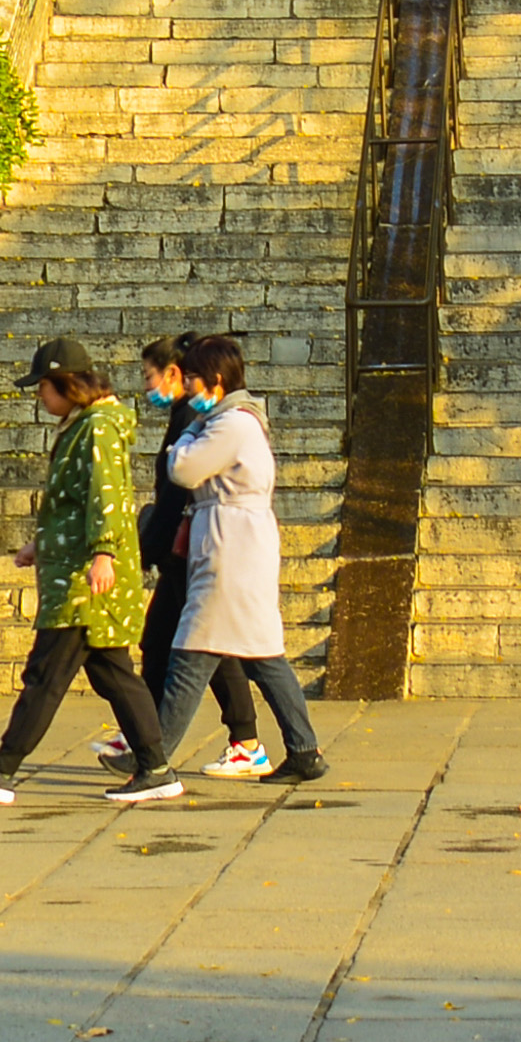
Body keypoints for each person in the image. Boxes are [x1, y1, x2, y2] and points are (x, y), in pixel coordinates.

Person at [0, 339, 180, 805]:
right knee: (113, 675)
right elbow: (72, 502)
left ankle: (3, 768)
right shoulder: (83, 425)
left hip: (83, 580)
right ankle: (155, 767)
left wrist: (104, 554)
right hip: (74, 567)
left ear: (68, 385)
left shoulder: (98, 430)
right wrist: (41, 542)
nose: (39, 397)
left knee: (46, 675)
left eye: (43, 388)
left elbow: (106, 495)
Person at [163, 333, 329, 784]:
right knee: (264, 656)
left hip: (230, 546)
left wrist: (184, 437)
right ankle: (303, 749)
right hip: (235, 541)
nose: (187, 388)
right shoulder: (235, 420)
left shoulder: (229, 424)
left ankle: (152, 757)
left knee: (191, 654)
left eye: (192, 378)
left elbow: (182, 468)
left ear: (214, 381)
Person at [114, 337, 205, 765]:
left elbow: (175, 491)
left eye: (149, 376)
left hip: (182, 549)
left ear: (173, 374)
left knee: (221, 657)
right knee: (160, 641)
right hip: (174, 551)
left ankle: (150, 747)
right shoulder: (182, 414)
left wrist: (148, 547)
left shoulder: (191, 417)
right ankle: (143, 737)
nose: (146, 386)